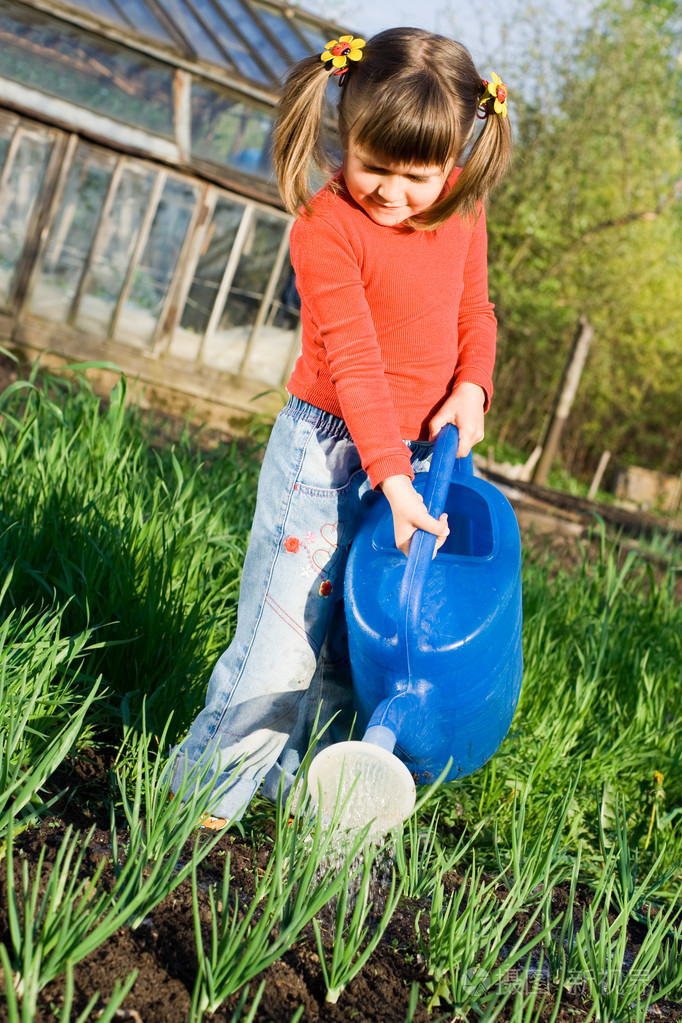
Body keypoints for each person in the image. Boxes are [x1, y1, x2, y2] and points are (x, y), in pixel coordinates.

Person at [169, 27, 512, 828]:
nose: (392, 192)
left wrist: (474, 386)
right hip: (326, 457)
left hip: (420, 459)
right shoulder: (326, 227)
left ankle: (299, 796)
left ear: (454, 163)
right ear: (344, 136)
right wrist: (389, 476)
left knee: (353, 648)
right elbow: (354, 362)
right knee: (284, 641)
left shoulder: (462, 210)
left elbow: (475, 310)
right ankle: (198, 805)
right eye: (374, 166)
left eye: (416, 175)